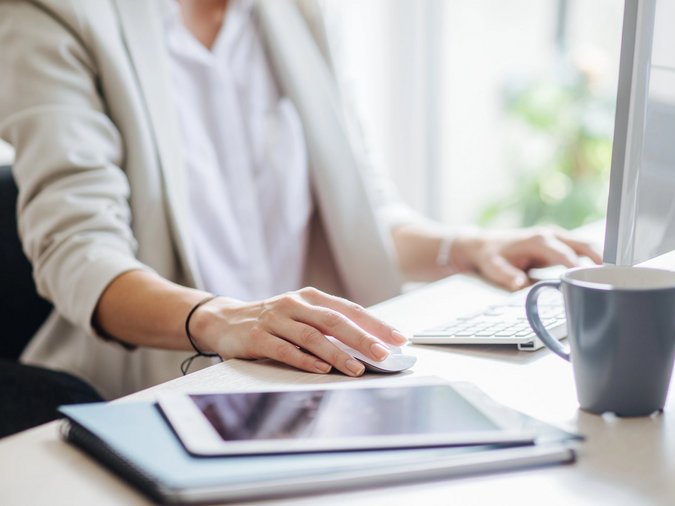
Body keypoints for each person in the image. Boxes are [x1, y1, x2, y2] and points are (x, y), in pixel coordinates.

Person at [0, 0, 602, 401]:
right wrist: (222, 319)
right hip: (144, 390)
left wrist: (462, 246)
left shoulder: (295, 12)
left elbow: (357, 219)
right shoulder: (55, 15)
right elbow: (78, 255)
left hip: (305, 384)